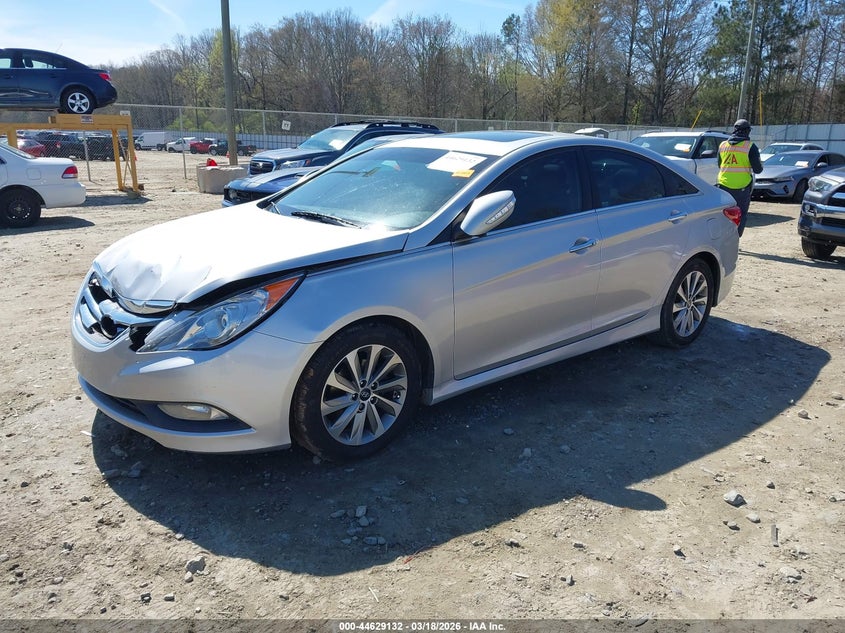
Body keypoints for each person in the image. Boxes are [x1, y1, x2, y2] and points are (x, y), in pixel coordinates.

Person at [717, 119, 763, 237]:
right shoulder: (750, 147)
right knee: (740, 215)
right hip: (741, 187)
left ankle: (721, 239)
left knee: (723, 214)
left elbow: (720, 165)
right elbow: (758, 169)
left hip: (723, 185)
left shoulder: (723, 145)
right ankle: (735, 240)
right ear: (747, 131)